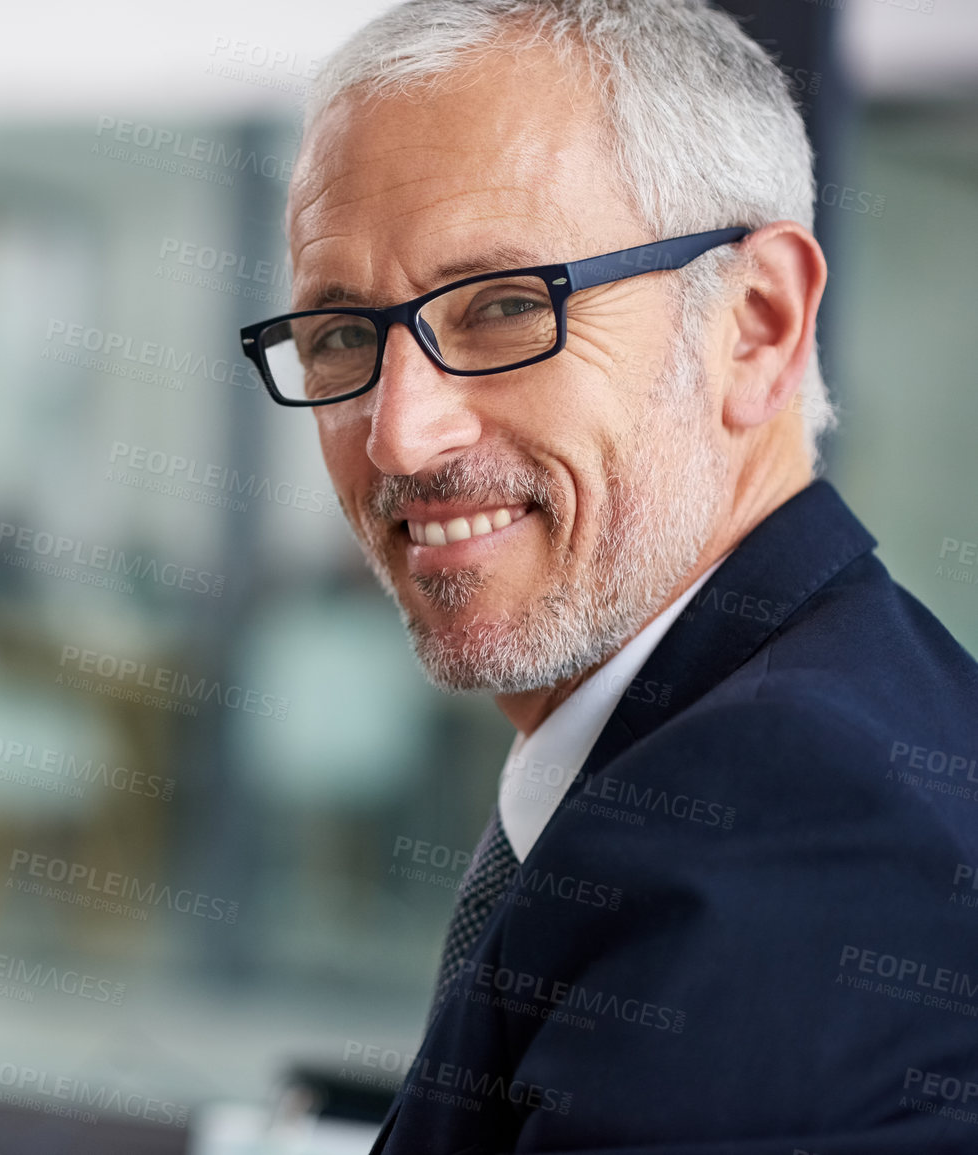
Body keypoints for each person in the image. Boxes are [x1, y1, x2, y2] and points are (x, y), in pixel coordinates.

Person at [237, 1, 978, 1150]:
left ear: (757, 326)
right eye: (341, 335)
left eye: (501, 308)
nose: (397, 434)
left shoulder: (801, 817)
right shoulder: (712, 731)